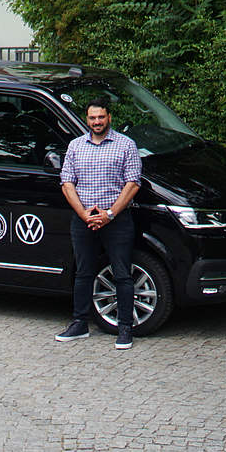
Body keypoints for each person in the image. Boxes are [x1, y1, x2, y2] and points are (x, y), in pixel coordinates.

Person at [55, 97, 142, 350]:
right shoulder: (75, 146)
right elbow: (67, 183)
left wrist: (110, 214)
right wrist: (84, 214)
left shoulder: (126, 145)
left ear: (109, 118)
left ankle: (125, 328)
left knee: (122, 274)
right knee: (83, 272)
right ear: (87, 119)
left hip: (116, 219)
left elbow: (133, 183)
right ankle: (79, 323)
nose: (97, 122)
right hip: (84, 219)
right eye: (92, 118)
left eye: (101, 117)